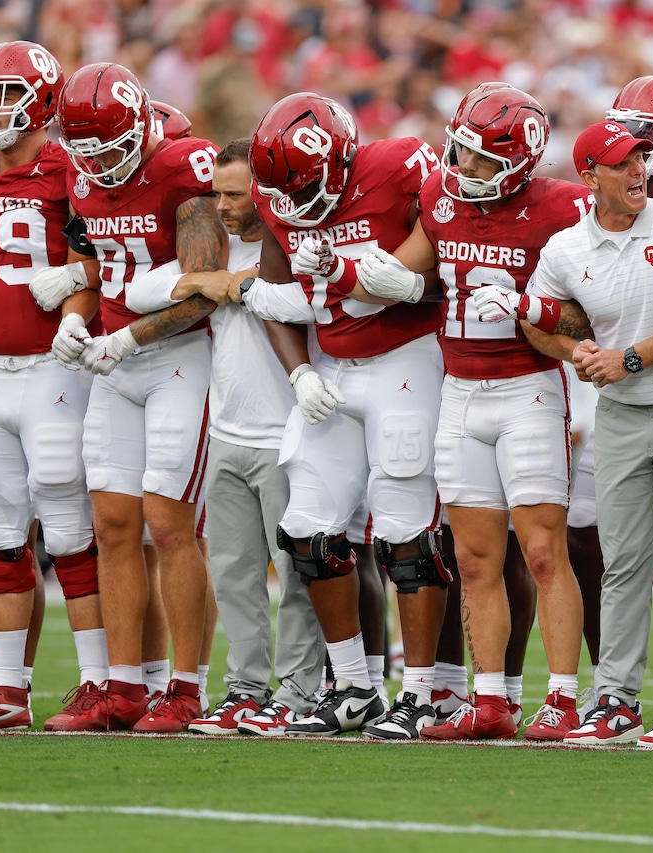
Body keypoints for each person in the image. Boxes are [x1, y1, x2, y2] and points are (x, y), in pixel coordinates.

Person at [348, 82, 589, 741]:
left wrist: (528, 307)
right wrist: (362, 272)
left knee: (543, 551)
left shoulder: (564, 208)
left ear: (519, 159)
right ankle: (489, 702)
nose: (462, 168)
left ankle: (563, 699)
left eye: (480, 158)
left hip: (530, 388)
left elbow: (591, 308)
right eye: (459, 151)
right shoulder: (440, 198)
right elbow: (405, 274)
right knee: (475, 558)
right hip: (459, 390)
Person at [236, 92, 445, 737]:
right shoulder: (278, 196)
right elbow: (271, 299)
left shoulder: (399, 164)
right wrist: (298, 371)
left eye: (306, 187)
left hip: (406, 357)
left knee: (405, 534)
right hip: (332, 368)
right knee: (306, 532)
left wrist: (391, 274)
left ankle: (422, 694)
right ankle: (354, 686)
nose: (296, 207)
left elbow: (446, 232)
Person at [105, 138, 327, 735]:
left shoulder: (297, 243)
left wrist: (242, 283)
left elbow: (313, 305)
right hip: (226, 428)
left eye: (235, 193)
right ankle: (246, 690)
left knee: (297, 570)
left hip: (288, 430)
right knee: (234, 574)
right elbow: (134, 293)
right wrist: (213, 279)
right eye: (218, 193)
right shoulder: (216, 247)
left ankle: (302, 693)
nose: (222, 205)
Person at [35, 62, 226, 732]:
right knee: (112, 525)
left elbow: (205, 283)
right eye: (87, 154)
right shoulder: (83, 172)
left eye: (111, 149)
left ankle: (184, 685)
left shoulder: (181, 166)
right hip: (116, 359)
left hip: (178, 356)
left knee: (171, 526)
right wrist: (76, 320)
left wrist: (129, 338)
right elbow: (99, 267)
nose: (101, 167)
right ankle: (121, 686)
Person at [525, 120, 653, 749]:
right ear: (589, 177)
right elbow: (535, 317)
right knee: (624, 559)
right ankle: (615, 699)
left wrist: (628, 358)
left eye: (641, 159)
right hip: (620, 414)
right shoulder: (564, 250)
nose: (639, 170)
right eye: (622, 163)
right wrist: (573, 351)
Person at [0, 41, 105, 731]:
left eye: (2, 93)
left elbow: (100, 257)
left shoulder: (69, 169)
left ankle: (102, 680)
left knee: (70, 525)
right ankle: (6, 690)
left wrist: (76, 311)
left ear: (42, 98)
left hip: (53, 366)